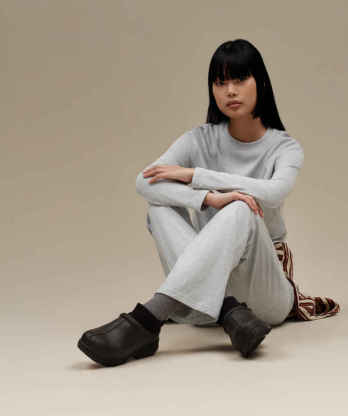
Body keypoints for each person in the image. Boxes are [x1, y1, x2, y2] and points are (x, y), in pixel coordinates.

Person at [77, 38, 312, 367]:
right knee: (159, 207)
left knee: (241, 206)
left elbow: (273, 192)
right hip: (206, 291)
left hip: (266, 292)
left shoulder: (285, 147)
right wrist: (209, 198)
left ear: (261, 82)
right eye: (220, 82)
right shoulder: (199, 139)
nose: (230, 91)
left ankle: (148, 319)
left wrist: (196, 176)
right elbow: (144, 181)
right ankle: (230, 312)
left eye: (239, 79)